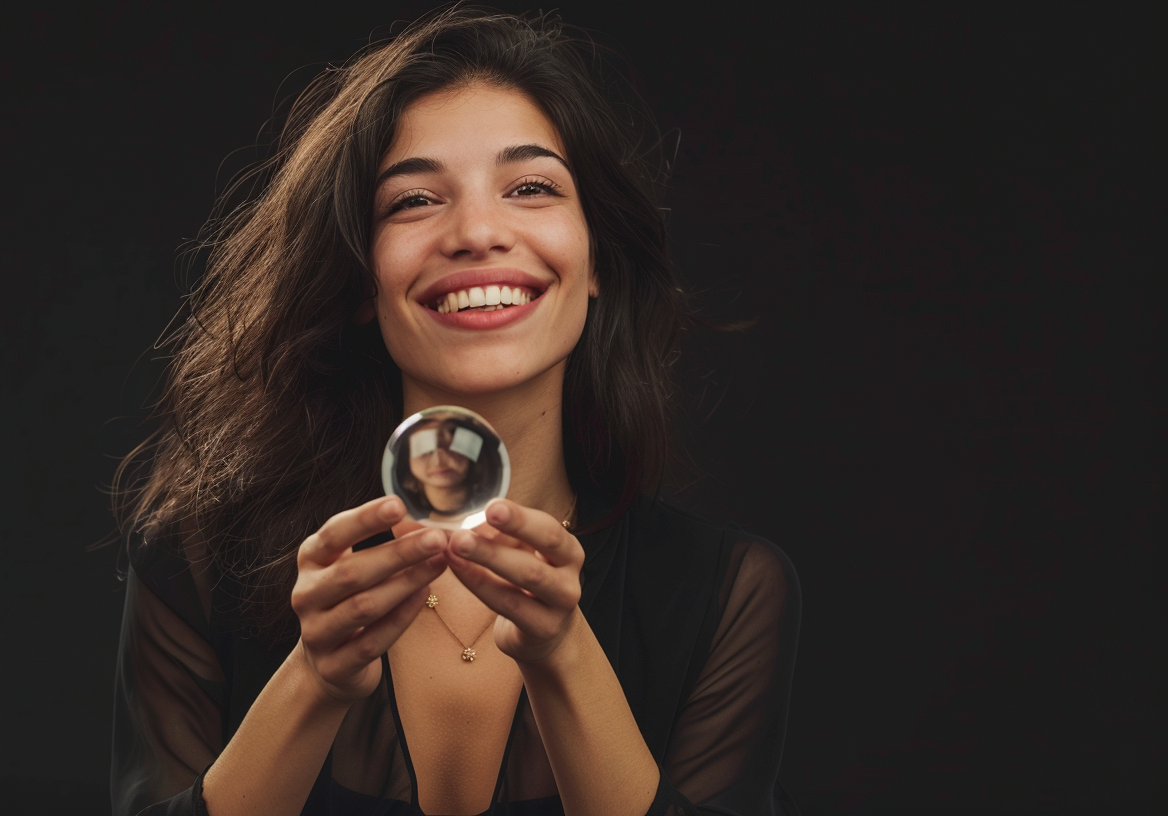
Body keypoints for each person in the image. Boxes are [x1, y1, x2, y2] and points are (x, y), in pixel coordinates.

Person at [109, 8, 802, 816]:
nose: (476, 232)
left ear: (600, 260)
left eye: (531, 187)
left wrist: (562, 655)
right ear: (362, 281)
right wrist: (316, 677)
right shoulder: (195, 567)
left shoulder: (727, 593)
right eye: (413, 201)